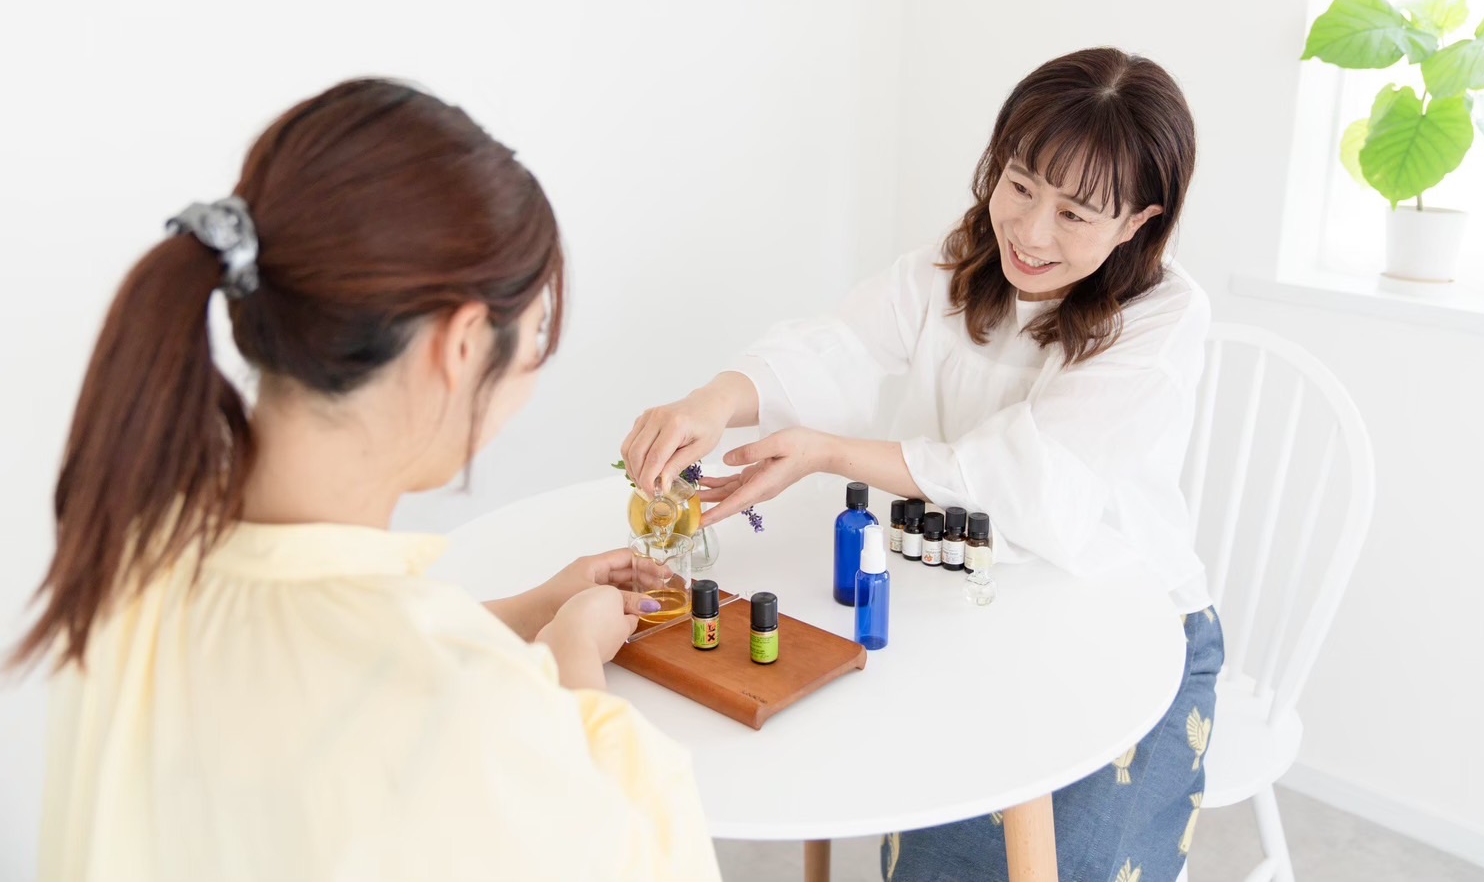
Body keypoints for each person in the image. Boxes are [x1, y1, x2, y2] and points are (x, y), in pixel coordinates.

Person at [13, 79, 720, 882]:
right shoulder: (464, 713)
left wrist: (525, 613)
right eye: (532, 345)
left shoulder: (133, 551)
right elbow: (648, 855)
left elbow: (309, 675)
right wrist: (571, 662)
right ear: (459, 347)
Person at [622, 48, 1224, 881]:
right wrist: (714, 400)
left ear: (1139, 222)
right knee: (929, 842)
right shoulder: (960, 265)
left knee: (1057, 860)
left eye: (1076, 212)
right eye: (1018, 184)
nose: (1030, 230)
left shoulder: (1163, 320)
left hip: (1120, 631)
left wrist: (829, 451)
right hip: (967, 600)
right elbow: (835, 346)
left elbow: (1027, 484)